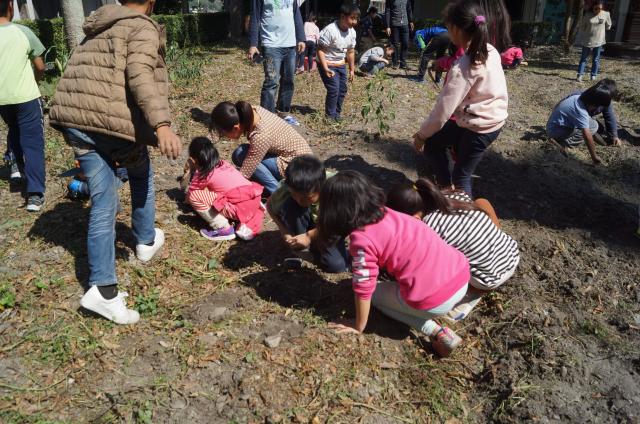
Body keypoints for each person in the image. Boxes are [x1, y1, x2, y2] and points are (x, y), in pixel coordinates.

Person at [49, 0, 182, 325]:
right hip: (107, 124)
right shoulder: (141, 26)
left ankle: (103, 289)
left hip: (76, 121)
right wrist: (162, 125)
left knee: (104, 200)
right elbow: (139, 74)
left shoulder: (100, 23)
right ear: (151, 2)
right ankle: (145, 241)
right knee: (140, 170)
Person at [316, 171, 470, 357]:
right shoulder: (390, 212)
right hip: (461, 276)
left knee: (375, 296)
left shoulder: (362, 239)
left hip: (436, 300)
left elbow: (364, 288)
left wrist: (358, 325)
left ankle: (436, 331)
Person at [386, 178, 520, 322]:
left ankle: (471, 293)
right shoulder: (451, 196)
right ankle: (488, 240)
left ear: (415, 218)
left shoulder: (428, 228)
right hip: (511, 253)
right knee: (481, 202)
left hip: (488, 277)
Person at [413, 0, 508, 198]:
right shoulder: (489, 50)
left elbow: (442, 112)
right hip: (486, 118)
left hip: (480, 126)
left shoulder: (464, 67)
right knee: (434, 144)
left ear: (456, 29)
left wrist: (421, 135)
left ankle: (463, 209)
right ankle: (446, 190)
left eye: (448, 27)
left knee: (461, 175)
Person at [0, 0, 46, 211]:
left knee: (14, 128)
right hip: (26, 97)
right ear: (10, 7)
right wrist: (36, 81)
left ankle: (16, 167)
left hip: (3, 100)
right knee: (33, 142)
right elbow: (40, 66)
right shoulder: (23, 32)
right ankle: (35, 195)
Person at [210, 100, 312, 196]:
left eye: (224, 134)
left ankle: (280, 194)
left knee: (242, 154)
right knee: (239, 155)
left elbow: (245, 173)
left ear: (236, 128)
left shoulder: (260, 135)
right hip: (304, 159)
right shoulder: (253, 111)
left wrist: (225, 185)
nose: (225, 137)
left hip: (298, 168)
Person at [266, 155, 349, 273]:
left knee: (336, 266)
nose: (299, 201)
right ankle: (300, 247)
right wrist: (284, 231)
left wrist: (309, 236)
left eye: (307, 198)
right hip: (312, 222)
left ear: (321, 187)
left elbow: (342, 222)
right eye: (294, 195)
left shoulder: (337, 188)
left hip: (331, 226)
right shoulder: (288, 188)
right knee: (290, 205)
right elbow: (270, 205)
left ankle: (316, 244)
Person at [186, 137, 264, 242]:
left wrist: (193, 171)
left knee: (194, 196)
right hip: (254, 200)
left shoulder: (203, 174)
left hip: (240, 209)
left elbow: (189, 196)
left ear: (193, 160)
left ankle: (223, 228)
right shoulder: (224, 164)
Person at [248, 0, 306, 126]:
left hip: (290, 46)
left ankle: (283, 114)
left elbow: (296, 15)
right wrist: (253, 44)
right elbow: (255, 17)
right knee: (271, 82)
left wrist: (301, 38)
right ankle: (267, 118)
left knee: (289, 80)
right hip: (270, 46)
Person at [546, 79, 619, 164]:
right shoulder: (581, 110)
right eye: (597, 106)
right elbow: (587, 135)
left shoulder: (579, 97)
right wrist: (594, 157)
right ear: (594, 103)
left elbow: (609, 116)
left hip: (556, 125)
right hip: (555, 131)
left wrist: (614, 136)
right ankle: (565, 143)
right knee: (593, 126)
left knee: (594, 124)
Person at [317, 3, 359, 121]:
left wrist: (352, 70)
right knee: (334, 89)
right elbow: (320, 50)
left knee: (342, 90)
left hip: (340, 64)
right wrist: (325, 68)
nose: (354, 22)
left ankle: (337, 114)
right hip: (327, 63)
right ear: (342, 16)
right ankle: (330, 116)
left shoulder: (352, 32)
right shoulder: (330, 30)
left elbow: (350, 52)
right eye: (352, 18)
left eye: (356, 18)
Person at [576, 0, 611, 82]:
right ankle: (580, 75)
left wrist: (603, 27)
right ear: (593, 7)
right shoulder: (588, 15)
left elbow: (608, 26)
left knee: (596, 59)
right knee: (583, 58)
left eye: (600, 9)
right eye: (596, 8)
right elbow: (582, 27)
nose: (598, 10)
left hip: (599, 40)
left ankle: (593, 75)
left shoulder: (606, 14)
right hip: (587, 40)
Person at [385, 0, 414, 69]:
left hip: (405, 24)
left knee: (405, 43)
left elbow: (409, 10)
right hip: (394, 25)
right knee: (395, 44)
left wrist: (411, 21)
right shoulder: (390, 1)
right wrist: (388, 26)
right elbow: (387, 12)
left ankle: (403, 63)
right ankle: (395, 63)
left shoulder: (407, 0)